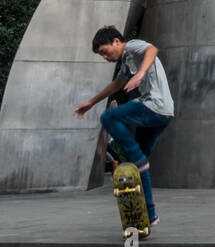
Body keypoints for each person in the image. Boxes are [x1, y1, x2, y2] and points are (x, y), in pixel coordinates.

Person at [74, 26, 174, 228]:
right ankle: (150, 215)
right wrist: (91, 102)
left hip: (153, 105)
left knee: (109, 117)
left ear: (116, 42)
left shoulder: (132, 47)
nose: (105, 57)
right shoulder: (127, 63)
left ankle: (136, 158)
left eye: (105, 52)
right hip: (164, 114)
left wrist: (141, 74)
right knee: (137, 167)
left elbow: (152, 50)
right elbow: (117, 85)